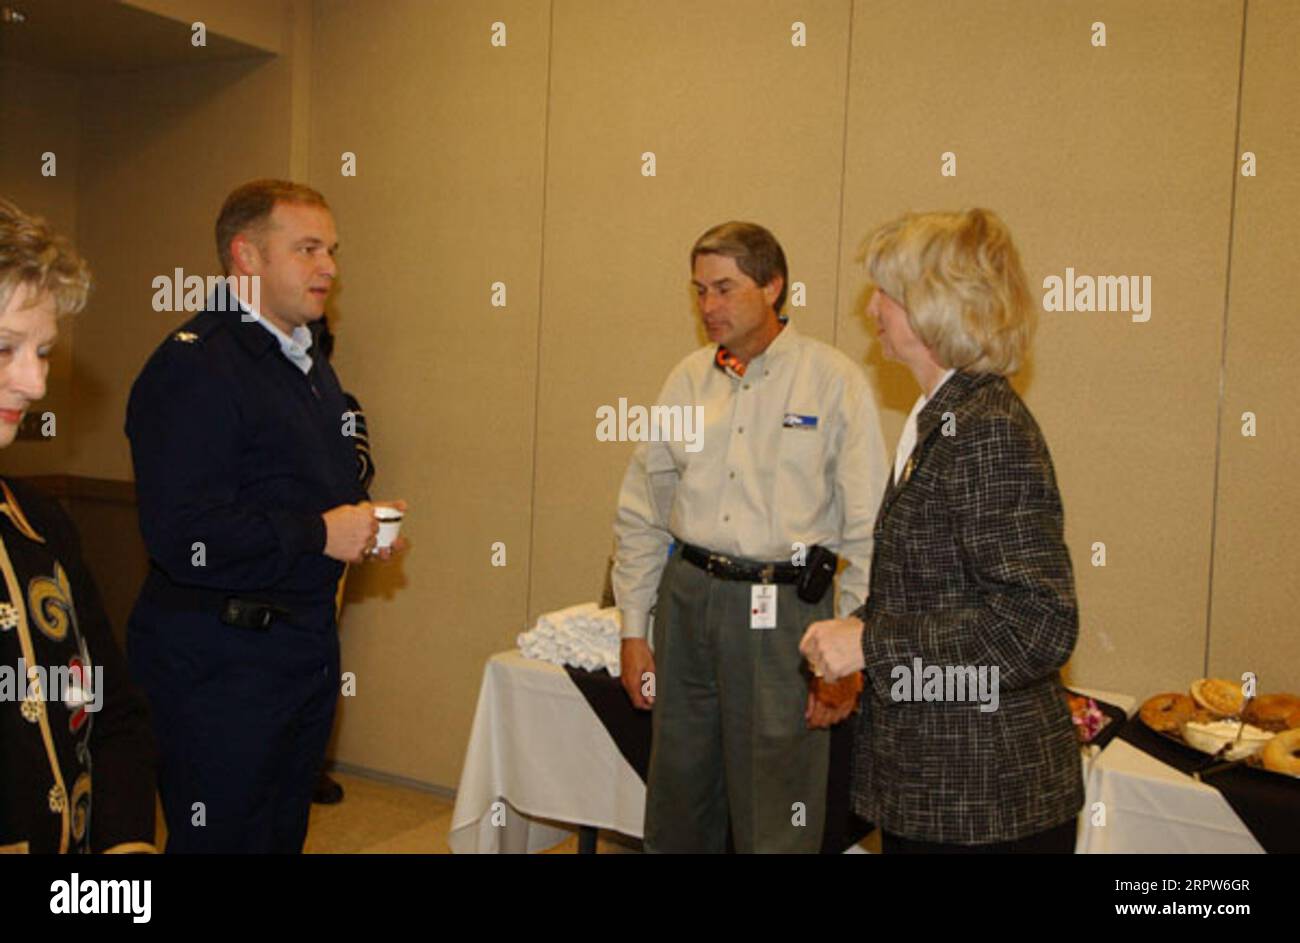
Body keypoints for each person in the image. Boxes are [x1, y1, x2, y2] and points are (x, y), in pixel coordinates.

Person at [125, 179, 404, 853]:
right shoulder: (195, 366)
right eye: (307, 248)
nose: (329, 267)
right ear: (246, 257)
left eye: (331, 249)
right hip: (221, 665)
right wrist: (319, 533)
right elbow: (181, 533)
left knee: (278, 837)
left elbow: (299, 492)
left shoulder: (306, 364)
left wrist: (359, 523)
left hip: (296, 650)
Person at [801, 208, 1083, 853]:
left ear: (934, 307)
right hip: (939, 787)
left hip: (985, 801)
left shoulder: (986, 430)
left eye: (888, 294)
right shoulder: (943, 416)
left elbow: (1038, 625)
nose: (871, 307)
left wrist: (872, 643)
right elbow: (933, 588)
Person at [613, 221, 887, 853]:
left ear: (773, 286)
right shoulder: (687, 379)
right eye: (699, 290)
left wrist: (849, 654)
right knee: (679, 794)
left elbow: (868, 531)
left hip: (786, 613)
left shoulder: (833, 381)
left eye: (725, 289)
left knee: (776, 806)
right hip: (688, 600)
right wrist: (634, 627)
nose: (708, 306)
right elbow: (642, 510)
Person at [0, 197, 156, 853]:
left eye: (43, 351)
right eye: (6, 348)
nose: (35, 382)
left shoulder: (43, 525)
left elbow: (112, 711)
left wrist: (125, 849)